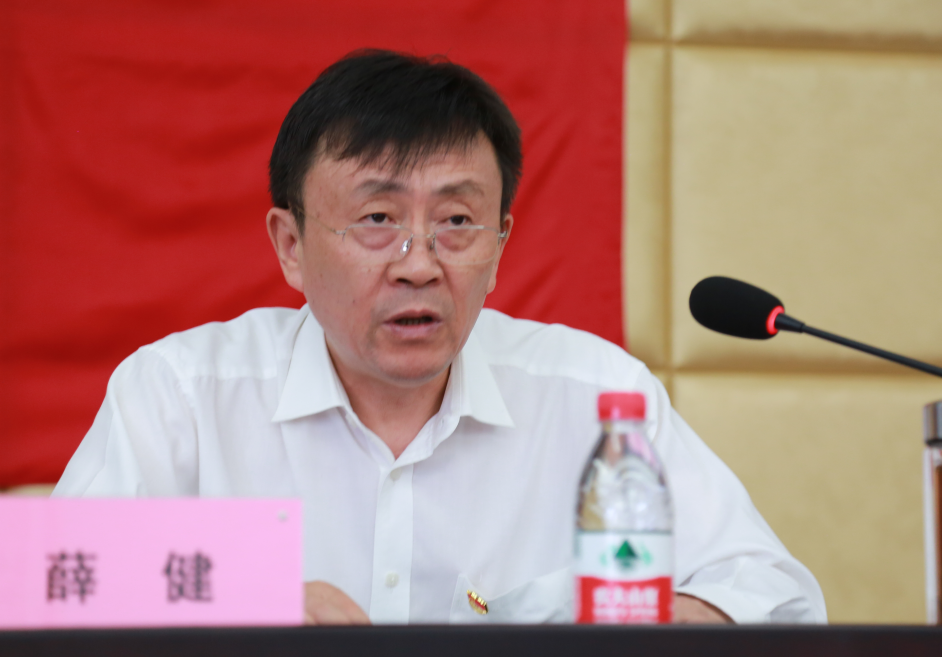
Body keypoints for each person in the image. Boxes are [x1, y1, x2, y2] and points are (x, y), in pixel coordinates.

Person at [54, 49, 826, 625]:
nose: (419, 263)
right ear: (290, 245)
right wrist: (247, 596)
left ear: (500, 244)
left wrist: (670, 621)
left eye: (457, 221)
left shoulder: (599, 400)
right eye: (377, 219)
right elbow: (46, 582)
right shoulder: (183, 396)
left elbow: (780, 599)